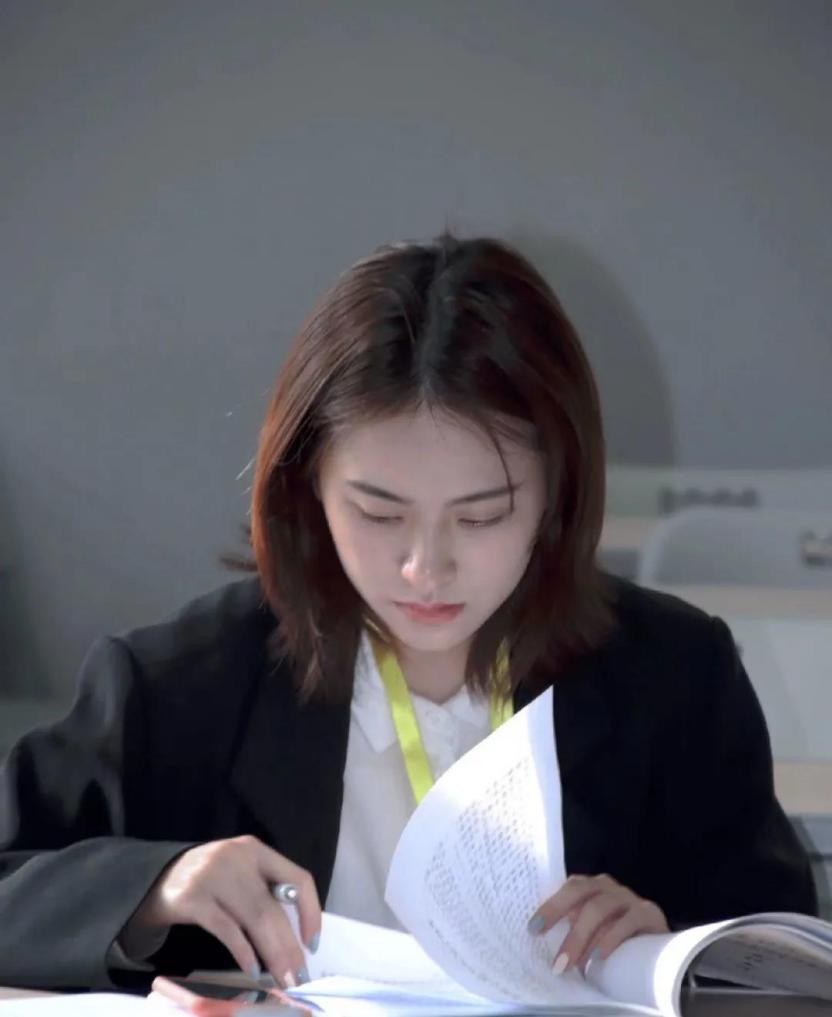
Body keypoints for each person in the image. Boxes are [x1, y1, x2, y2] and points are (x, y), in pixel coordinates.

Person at [0, 232, 817, 993]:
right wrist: (152, 889)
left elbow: (786, 954)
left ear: (557, 498)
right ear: (309, 487)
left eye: (483, 515)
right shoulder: (179, 686)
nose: (426, 566)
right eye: (379, 512)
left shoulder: (674, 675)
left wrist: (666, 938)